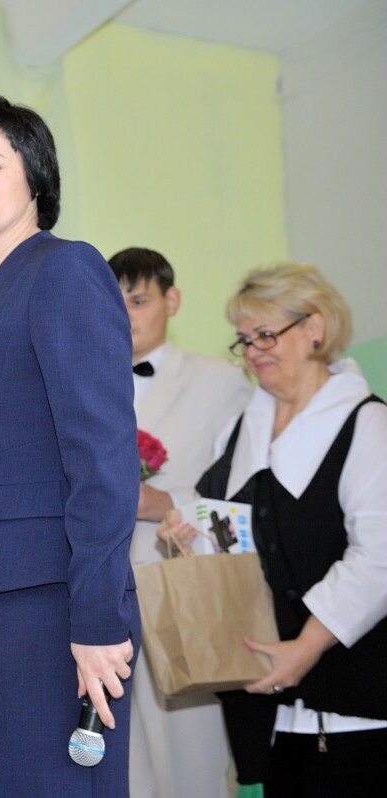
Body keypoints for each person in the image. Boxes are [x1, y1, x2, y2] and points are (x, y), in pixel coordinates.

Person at [0, 93, 139, 796]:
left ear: (34, 176)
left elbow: (102, 457)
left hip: (48, 606)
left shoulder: (64, 269)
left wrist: (96, 618)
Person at [158, 263, 387, 796]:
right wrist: (183, 531)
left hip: (357, 704)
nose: (253, 351)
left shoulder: (367, 425)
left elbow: (377, 558)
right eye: (244, 340)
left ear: (315, 327)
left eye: (265, 334)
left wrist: (304, 647)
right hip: (274, 709)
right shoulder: (242, 429)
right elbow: (225, 531)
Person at [108, 247, 251, 798]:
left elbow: (244, 495)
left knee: (193, 761)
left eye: (139, 300)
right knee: (121, 763)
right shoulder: (84, 384)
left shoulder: (222, 381)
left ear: (172, 301)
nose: (125, 315)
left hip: (185, 587)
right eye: (114, 302)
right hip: (103, 595)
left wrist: (165, 502)